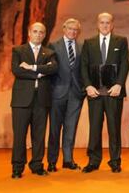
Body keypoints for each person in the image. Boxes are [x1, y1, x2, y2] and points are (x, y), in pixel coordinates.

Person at [80, 12, 129, 173]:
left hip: (114, 93)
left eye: (108, 22)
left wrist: (119, 84)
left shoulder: (121, 41)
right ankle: (93, 161)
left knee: (114, 128)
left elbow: (124, 65)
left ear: (112, 25)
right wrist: (88, 86)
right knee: (94, 127)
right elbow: (83, 66)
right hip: (94, 93)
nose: (105, 25)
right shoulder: (89, 43)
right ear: (97, 24)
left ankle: (115, 161)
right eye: (102, 22)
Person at [10, 22, 58, 179]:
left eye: (41, 32)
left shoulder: (49, 52)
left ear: (44, 35)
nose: (38, 34)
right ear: (29, 33)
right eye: (35, 31)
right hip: (21, 101)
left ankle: (37, 165)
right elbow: (17, 70)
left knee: (39, 135)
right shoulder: (18, 50)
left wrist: (31, 67)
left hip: (41, 100)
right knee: (19, 135)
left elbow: (53, 69)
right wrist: (39, 73)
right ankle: (17, 167)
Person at [47, 18, 84, 172]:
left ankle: (68, 160)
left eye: (75, 29)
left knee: (70, 128)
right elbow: (49, 71)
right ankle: (52, 161)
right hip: (57, 93)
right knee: (55, 129)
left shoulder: (82, 47)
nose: (73, 32)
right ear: (64, 29)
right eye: (70, 28)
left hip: (76, 94)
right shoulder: (53, 46)